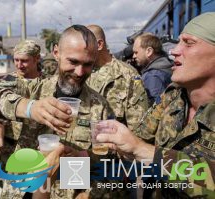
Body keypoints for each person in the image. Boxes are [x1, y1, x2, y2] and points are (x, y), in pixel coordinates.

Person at [0, 25, 114, 198]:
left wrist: (83, 157)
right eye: (73, 62)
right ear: (56, 53)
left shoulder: (99, 107)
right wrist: (29, 107)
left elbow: (108, 160)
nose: (79, 72)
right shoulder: (33, 89)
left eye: (87, 64)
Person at [96, 12, 215, 198]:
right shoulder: (174, 95)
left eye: (189, 43)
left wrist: (144, 151)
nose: (174, 50)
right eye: (179, 42)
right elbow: (138, 138)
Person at [0, 40, 44, 156]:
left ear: (37, 59)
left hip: (40, 148)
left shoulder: (48, 83)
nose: (19, 65)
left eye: (24, 61)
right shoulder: (6, 82)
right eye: (16, 60)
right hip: (12, 148)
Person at [87, 25, 149, 131]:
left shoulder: (127, 75)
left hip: (111, 145)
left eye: (84, 45)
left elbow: (138, 129)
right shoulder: (79, 71)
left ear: (99, 44)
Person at [133, 33, 172, 105]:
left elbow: (155, 107)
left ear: (149, 51)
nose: (134, 56)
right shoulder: (165, 66)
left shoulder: (152, 76)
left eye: (136, 52)